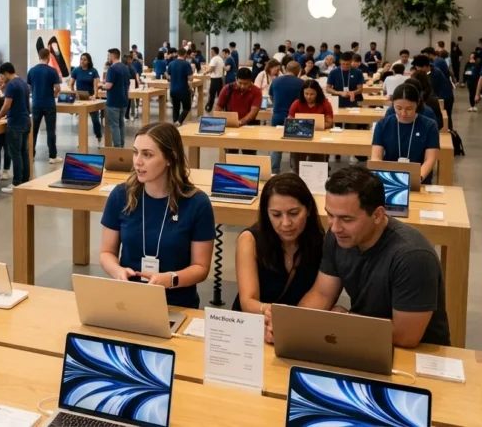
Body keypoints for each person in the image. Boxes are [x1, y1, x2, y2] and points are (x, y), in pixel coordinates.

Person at [265, 167, 450, 347]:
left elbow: (405, 337)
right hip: (364, 338)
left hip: (416, 353)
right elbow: (322, 294)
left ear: (377, 215)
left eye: (347, 219)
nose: (335, 227)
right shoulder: (338, 237)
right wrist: (292, 323)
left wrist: (345, 320)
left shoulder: (412, 257)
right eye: (330, 215)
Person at [99, 122, 216, 308]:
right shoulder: (121, 196)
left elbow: (201, 268)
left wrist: (170, 279)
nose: (137, 161)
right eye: (135, 152)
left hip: (176, 302)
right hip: (128, 300)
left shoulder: (197, 203)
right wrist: (117, 271)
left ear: (170, 158)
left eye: (147, 155)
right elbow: (106, 253)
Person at [233, 174, 323, 313]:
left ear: (309, 209)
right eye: (276, 215)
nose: (286, 223)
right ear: (266, 214)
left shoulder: (321, 243)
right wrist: (267, 310)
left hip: (297, 324)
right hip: (255, 321)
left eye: (293, 213)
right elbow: (248, 301)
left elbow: (322, 295)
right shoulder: (249, 240)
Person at [372, 84, 440, 184]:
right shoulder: (382, 124)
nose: (403, 113)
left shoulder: (430, 126)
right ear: (392, 104)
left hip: (420, 181)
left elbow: (430, 159)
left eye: (409, 109)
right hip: (389, 180)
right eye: (398, 108)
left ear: (417, 104)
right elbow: (376, 157)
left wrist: (415, 180)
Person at [0, 63, 31, 193]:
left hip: (15, 122)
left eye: (2, 75)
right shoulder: (23, 83)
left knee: (15, 153)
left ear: (7, 73)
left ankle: (16, 183)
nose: (2, 78)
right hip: (26, 120)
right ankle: (25, 179)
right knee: (24, 152)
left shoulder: (11, 85)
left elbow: (7, 105)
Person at [287, 80, 334, 171]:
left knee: (317, 164)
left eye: (312, 94)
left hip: (319, 138)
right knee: (298, 166)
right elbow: (290, 120)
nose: (308, 97)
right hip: (300, 138)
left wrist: (309, 126)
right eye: (306, 93)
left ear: (317, 93)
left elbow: (329, 122)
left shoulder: (325, 103)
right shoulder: (297, 103)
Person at [216, 67, 262, 155]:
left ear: (251, 81)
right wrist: (219, 122)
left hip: (249, 126)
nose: (242, 86)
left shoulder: (256, 91)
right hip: (230, 126)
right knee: (230, 155)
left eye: (246, 84)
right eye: (240, 83)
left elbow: (253, 112)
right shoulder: (227, 89)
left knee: (249, 155)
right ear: (236, 79)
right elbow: (219, 107)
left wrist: (241, 122)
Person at [268, 62, 305, 173]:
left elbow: (271, 96)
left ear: (285, 69)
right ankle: (294, 170)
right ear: (299, 71)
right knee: (295, 145)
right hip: (295, 118)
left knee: (276, 145)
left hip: (277, 116)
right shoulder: (302, 83)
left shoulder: (275, 81)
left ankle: (274, 171)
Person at [27, 48, 62, 162]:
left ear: (39, 57)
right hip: (49, 104)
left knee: (34, 130)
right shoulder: (52, 71)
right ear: (48, 57)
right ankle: (52, 156)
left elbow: (29, 88)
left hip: (36, 103)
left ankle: (31, 154)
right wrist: (54, 94)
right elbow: (57, 88)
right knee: (50, 130)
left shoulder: (32, 70)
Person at [69, 53, 103, 146]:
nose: (82, 61)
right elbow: (71, 83)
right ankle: (82, 141)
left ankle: (98, 136)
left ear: (88, 61)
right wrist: (73, 93)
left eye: (84, 60)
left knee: (95, 120)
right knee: (81, 121)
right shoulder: (76, 70)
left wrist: (95, 95)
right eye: (81, 59)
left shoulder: (93, 71)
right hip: (80, 98)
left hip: (90, 98)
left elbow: (95, 86)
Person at [413, 54, 453, 131]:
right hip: (439, 97)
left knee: (445, 119)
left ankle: (449, 133)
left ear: (425, 66)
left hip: (444, 98)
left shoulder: (435, 73)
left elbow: (431, 89)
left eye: (418, 67)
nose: (417, 69)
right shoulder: (431, 70)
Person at [102, 48, 131, 147]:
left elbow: (108, 85)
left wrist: (101, 86)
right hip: (124, 100)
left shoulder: (112, 69)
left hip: (113, 101)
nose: (108, 58)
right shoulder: (125, 67)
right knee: (121, 124)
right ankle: (121, 145)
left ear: (113, 56)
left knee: (114, 125)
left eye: (108, 56)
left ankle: (117, 147)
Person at [167, 48, 193, 125]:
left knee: (175, 108)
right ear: (185, 54)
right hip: (183, 89)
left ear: (177, 54)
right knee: (186, 107)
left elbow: (168, 76)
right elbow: (190, 78)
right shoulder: (186, 64)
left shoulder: (171, 63)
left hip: (173, 89)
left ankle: (175, 122)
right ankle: (179, 121)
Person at [205, 47, 225, 112]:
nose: (210, 53)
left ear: (213, 52)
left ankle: (209, 108)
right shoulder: (220, 59)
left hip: (214, 79)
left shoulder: (214, 59)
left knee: (212, 94)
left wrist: (205, 72)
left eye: (211, 51)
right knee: (220, 95)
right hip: (220, 79)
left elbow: (212, 69)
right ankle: (220, 108)